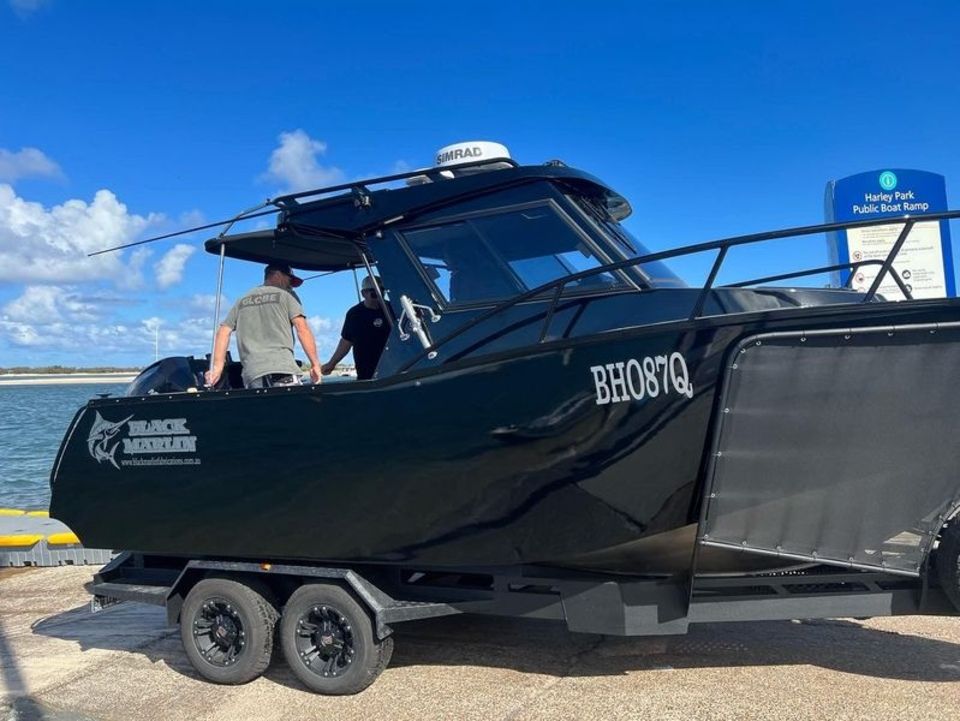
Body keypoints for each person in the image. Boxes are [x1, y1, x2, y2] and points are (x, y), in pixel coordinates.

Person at [205, 263, 322, 388]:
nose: (291, 287)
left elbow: (223, 331)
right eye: (289, 281)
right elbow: (302, 329)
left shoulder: (242, 299)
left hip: (252, 374)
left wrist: (217, 368)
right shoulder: (287, 295)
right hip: (282, 370)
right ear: (277, 275)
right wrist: (315, 364)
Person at [321, 275, 390, 380]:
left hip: (393, 369)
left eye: (382, 291)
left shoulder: (393, 309)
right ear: (363, 294)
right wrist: (331, 363)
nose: (379, 295)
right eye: (374, 292)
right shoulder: (355, 314)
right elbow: (346, 342)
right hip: (366, 372)